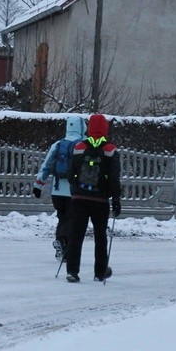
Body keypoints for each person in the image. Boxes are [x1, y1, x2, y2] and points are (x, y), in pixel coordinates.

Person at [64, 113, 122, 283]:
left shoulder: (79, 147)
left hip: (79, 199)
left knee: (76, 235)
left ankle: (72, 271)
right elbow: (114, 178)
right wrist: (116, 199)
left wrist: (76, 188)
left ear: (89, 129)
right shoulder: (110, 150)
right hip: (100, 201)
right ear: (105, 128)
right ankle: (100, 272)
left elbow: (70, 174)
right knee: (100, 237)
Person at [33, 115, 87, 260]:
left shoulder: (57, 145)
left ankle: (61, 248)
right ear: (82, 127)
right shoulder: (82, 146)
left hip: (56, 191)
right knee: (71, 219)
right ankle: (64, 243)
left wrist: (38, 185)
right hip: (73, 191)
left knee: (62, 218)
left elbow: (47, 166)